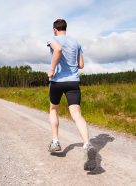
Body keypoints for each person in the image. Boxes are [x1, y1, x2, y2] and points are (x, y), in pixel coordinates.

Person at [47, 19, 96, 170]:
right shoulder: (76, 42)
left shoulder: (52, 39)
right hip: (73, 82)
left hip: (57, 81)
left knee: (54, 109)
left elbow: (58, 49)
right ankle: (87, 144)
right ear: (65, 28)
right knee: (76, 113)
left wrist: (52, 69)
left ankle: (55, 142)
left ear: (55, 30)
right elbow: (81, 65)